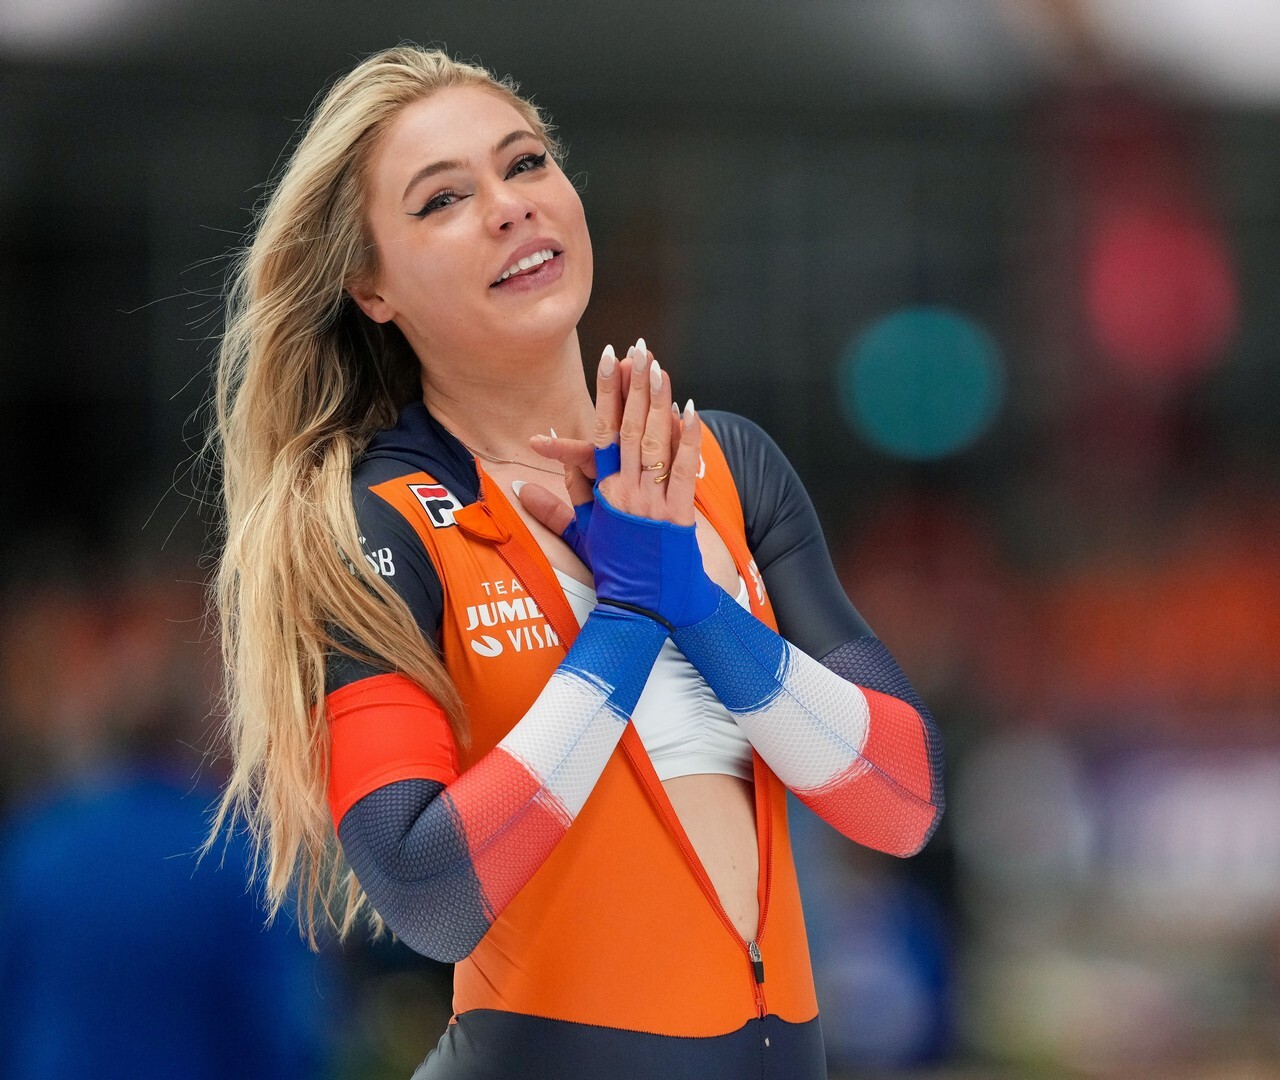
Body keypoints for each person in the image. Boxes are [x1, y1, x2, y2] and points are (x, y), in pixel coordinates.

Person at [209, 45, 944, 1079]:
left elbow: (900, 801)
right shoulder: (375, 525)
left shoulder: (726, 465)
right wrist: (627, 618)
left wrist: (691, 600)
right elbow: (428, 896)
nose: (509, 207)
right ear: (369, 286)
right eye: (441, 201)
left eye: (526, 164)